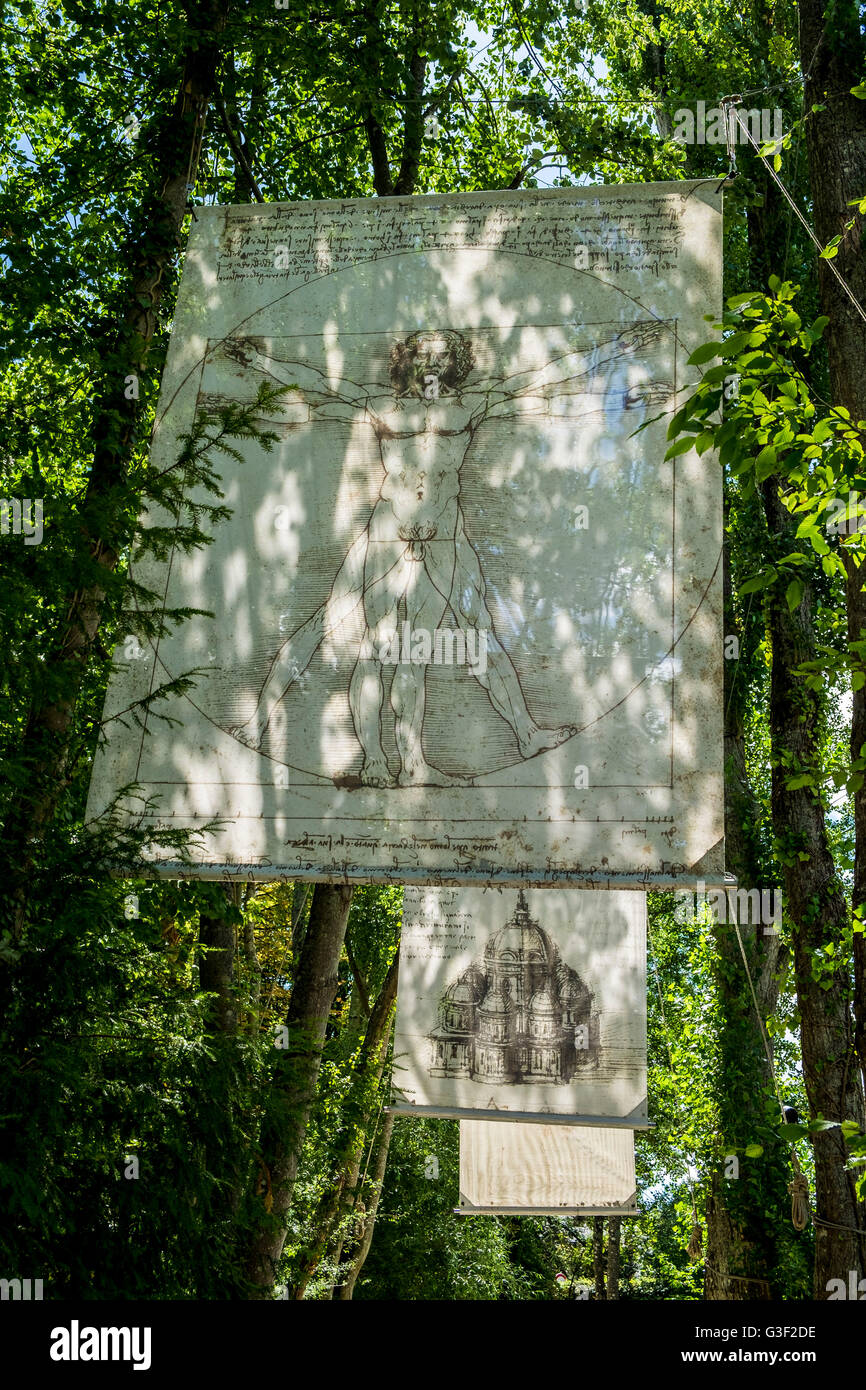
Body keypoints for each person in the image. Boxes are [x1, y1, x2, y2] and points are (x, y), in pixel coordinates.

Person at [221, 323, 670, 786]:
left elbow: (542, 379)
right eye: (424, 354)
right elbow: (317, 388)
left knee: (460, 637)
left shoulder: (470, 405)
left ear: (455, 363)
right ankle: (337, 749)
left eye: (443, 355)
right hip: (386, 534)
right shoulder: (383, 407)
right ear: (408, 361)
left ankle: (482, 745)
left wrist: (614, 349)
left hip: (447, 538)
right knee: (344, 632)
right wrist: (260, 363)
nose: (433, 363)